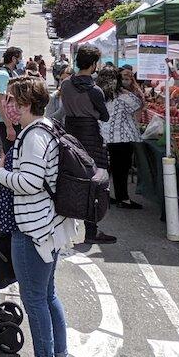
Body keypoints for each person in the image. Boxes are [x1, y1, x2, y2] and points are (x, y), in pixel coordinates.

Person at [0, 77, 79, 357]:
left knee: (35, 300)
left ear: (27, 104)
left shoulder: (34, 136)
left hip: (33, 230)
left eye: (13, 100)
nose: (8, 105)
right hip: (48, 228)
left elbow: (29, 181)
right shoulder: (45, 128)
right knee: (48, 296)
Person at [59, 47, 116, 244]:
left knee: (69, 179)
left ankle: (64, 227)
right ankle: (91, 232)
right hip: (91, 136)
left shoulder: (66, 85)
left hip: (70, 133)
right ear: (93, 65)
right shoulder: (95, 90)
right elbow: (105, 116)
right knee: (95, 183)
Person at [100, 65, 144, 210]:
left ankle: (111, 196)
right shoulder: (123, 96)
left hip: (107, 135)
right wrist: (125, 90)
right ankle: (123, 198)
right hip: (122, 137)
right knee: (122, 170)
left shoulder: (101, 94)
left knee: (113, 168)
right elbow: (139, 104)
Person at [0, 48, 21, 155]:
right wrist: (9, 126)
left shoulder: (9, 73)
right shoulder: (3, 75)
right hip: (6, 122)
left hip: (10, 121)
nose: (20, 61)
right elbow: (1, 100)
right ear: (13, 59)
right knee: (10, 155)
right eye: (19, 58)